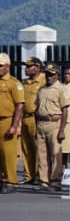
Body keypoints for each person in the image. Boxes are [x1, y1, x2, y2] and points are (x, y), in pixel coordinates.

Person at [32, 65, 69, 191]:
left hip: (54, 123)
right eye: (47, 74)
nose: (49, 77)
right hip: (41, 123)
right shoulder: (41, 89)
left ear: (57, 75)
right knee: (42, 154)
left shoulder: (61, 88)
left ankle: (55, 181)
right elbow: (36, 108)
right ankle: (44, 181)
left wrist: (62, 129)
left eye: (52, 74)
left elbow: (65, 110)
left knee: (55, 154)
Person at [0, 53, 26, 193]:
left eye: (1, 65)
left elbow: (20, 105)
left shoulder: (14, 83)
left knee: (8, 153)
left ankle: (11, 182)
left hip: (7, 120)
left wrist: (14, 125)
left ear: (7, 66)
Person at [20, 57, 45, 186]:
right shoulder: (24, 82)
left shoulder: (43, 81)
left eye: (30, 66)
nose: (27, 68)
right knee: (25, 148)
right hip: (24, 117)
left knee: (38, 147)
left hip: (36, 118)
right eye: (26, 66)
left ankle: (38, 175)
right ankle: (28, 175)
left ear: (38, 67)